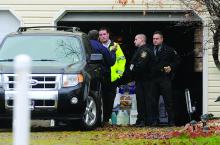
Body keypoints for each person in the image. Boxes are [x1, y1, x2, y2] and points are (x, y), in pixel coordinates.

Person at [151, 31, 180, 126]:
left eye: (157, 38)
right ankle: (155, 121)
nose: (155, 40)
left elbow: (178, 61)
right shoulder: (150, 49)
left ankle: (171, 121)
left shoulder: (169, 50)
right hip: (153, 78)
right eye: (153, 39)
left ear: (162, 39)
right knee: (153, 101)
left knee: (168, 100)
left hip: (164, 78)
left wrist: (171, 67)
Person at [98, 27, 126, 123]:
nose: (103, 36)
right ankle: (100, 119)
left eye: (104, 34)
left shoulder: (116, 46)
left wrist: (119, 74)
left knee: (110, 99)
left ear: (108, 34)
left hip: (112, 77)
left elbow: (122, 59)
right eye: (100, 35)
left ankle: (106, 119)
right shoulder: (98, 46)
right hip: (101, 77)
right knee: (100, 98)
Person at [129, 34, 154, 127]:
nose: (134, 41)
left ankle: (145, 120)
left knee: (145, 100)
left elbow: (140, 65)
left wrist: (132, 68)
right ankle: (141, 119)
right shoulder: (140, 50)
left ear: (142, 40)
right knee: (140, 100)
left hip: (146, 80)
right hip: (140, 80)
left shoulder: (145, 51)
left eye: (136, 39)